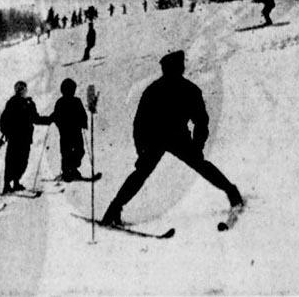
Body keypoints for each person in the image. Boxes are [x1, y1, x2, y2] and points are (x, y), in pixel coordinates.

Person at [101, 51, 243, 226]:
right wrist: (197, 145)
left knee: (143, 173)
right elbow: (141, 122)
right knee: (199, 166)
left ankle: (114, 209)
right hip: (162, 138)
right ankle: (232, 191)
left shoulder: (164, 89)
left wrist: (197, 144)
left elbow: (200, 121)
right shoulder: (181, 89)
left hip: (170, 138)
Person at [0, 81, 51, 194]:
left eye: (23, 88)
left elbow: (35, 118)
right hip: (14, 137)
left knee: (23, 161)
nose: (21, 90)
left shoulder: (29, 103)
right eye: (19, 88)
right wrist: (5, 131)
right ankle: (7, 184)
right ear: (16, 90)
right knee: (11, 161)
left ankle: (16, 182)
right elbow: (4, 118)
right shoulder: (11, 102)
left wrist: (48, 120)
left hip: (26, 137)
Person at [48, 79, 90, 182]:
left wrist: (83, 122)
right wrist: (60, 125)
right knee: (66, 152)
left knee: (80, 151)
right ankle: (67, 172)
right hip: (66, 132)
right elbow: (57, 116)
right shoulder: (60, 102)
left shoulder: (77, 101)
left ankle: (73, 169)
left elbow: (82, 113)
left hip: (76, 131)